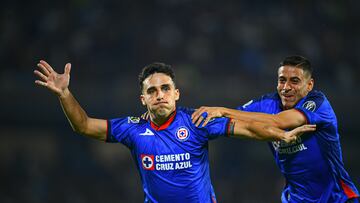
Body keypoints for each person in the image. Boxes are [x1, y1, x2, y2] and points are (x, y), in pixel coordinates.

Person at [34, 60, 315, 203]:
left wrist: (278, 133)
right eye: (152, 91)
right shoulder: (132, 129)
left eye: (166, 88)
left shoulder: (197, 121)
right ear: (142, 99)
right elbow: (83, 125)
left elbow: (249, 129)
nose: (160, 95)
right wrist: (64, 94)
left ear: (176, 93)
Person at [191, 55, 359, 203]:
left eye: (294, 81)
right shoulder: (267, 104)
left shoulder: (318, 104)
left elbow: (279, 122)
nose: (286, 87)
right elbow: (230, 119)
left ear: (309, 85)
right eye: (281, 80)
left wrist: (223, 110)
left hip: (337, 198)